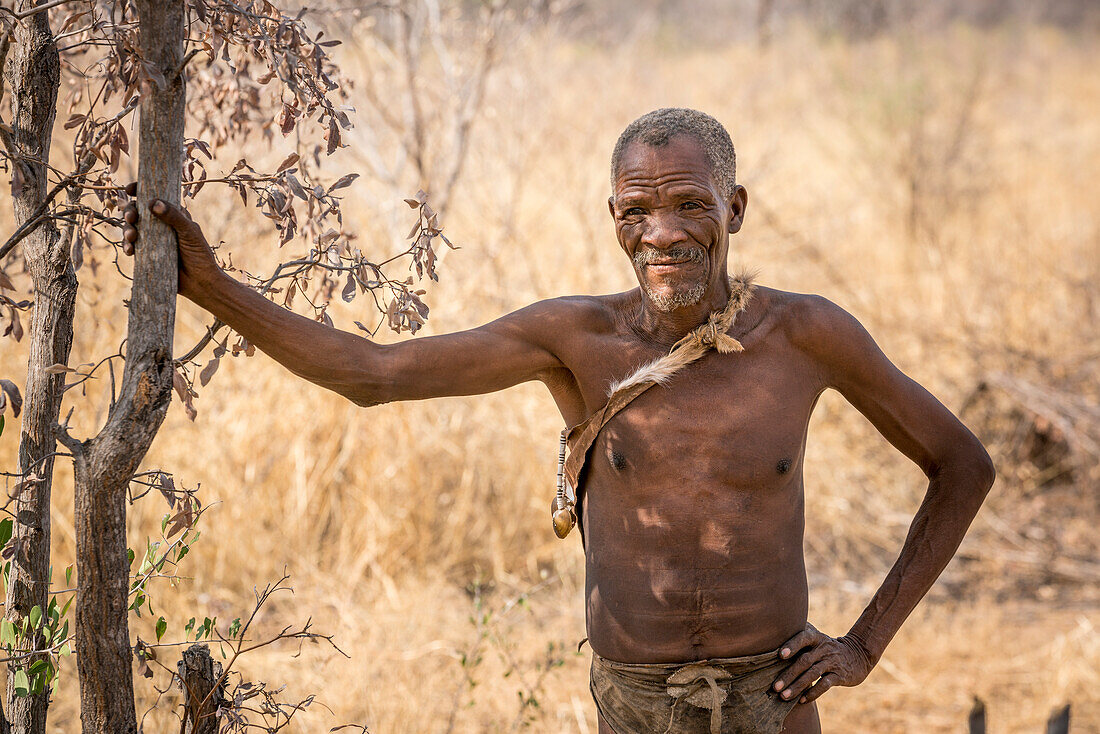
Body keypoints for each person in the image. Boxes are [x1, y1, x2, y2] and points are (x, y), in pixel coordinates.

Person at [122, 108, 995, 733]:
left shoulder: (806, 335)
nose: (663, 234)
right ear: (614, 219)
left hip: (772, 701)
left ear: (734, 210)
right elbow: (374, 374)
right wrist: (210, 287)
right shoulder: (577, 340)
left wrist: (863, 646)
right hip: (633, 704)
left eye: (690, 204)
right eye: (636, 211)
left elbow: (963, 465)